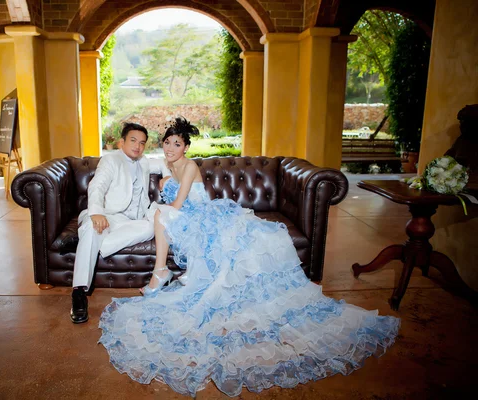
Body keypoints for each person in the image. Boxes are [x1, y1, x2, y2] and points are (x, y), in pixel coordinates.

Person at [98, 117, 400, 397]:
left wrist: (165, 194)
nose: (171, 147)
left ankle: (160, 272)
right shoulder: (166, 164)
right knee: (160, 215)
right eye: (167, 142)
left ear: (186, 147)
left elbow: (177, 205)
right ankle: (164, 272)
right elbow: (150, 179)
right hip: (190, 215)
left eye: (178, 143)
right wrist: (163, 182)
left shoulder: (188, 166)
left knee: (162, 213)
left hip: (203, 215)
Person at [71, 122, 171, 324]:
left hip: (131, 221)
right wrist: (97, 213)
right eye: (133, 141)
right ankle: (79, 292)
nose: (138, 146)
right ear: (121, 142)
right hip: (108, 216)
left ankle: (82, 241)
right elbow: (96, 186)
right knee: (92, 228)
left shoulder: (142, 162)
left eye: (142, 143)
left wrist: (167, 175)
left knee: (150, 227)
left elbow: (161, 163)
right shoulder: (110, 160)